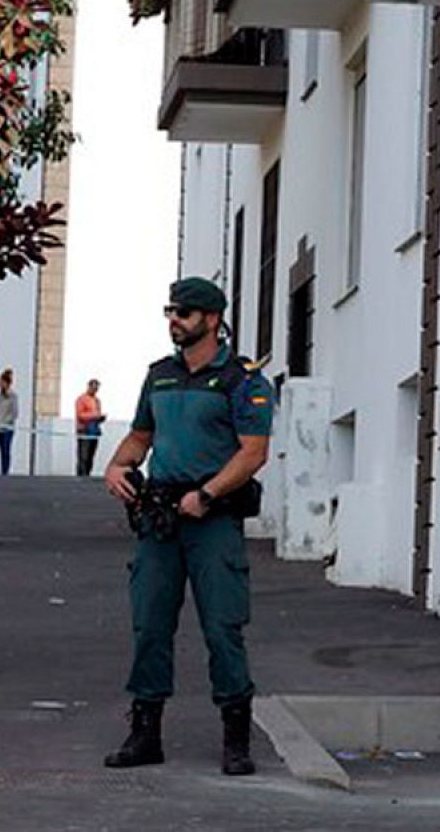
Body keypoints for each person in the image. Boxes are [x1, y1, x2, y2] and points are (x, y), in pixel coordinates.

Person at [101, 277, 274, 776]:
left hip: (211, 519)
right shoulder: (160, 376)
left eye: (184, 313)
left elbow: (253, 452)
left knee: (223, 627)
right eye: (170, 312)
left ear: (212, 320)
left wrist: (208, 494)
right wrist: (116, 466)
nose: (174, 321)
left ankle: (236, 739)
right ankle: (145, 733)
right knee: (149, 624)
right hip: (160, 519)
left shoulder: (242, 380)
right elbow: (141, 436)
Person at [75, 379, 105, 476]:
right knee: (84, 455)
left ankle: (87, 474)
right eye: (93, 388)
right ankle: (81, 476)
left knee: (91, 455)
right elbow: (80, 415)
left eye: (97, 389)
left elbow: (97, 414)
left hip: (94, 430)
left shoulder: (97, 401)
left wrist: (100, 418)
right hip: (84, 430)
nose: (95, 390)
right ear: (89, 387)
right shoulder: (81, 399)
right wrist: (94, 416)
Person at [0, 369, 19, 476]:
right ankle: (2, 470)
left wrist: (5, 421)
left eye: (1, 382)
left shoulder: (13, 396)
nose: (0, 384)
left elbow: (14, 413)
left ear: (6, 383)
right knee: (1, 450)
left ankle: (5, 471)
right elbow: (0, 410)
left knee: (6, 449)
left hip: (8, 427)